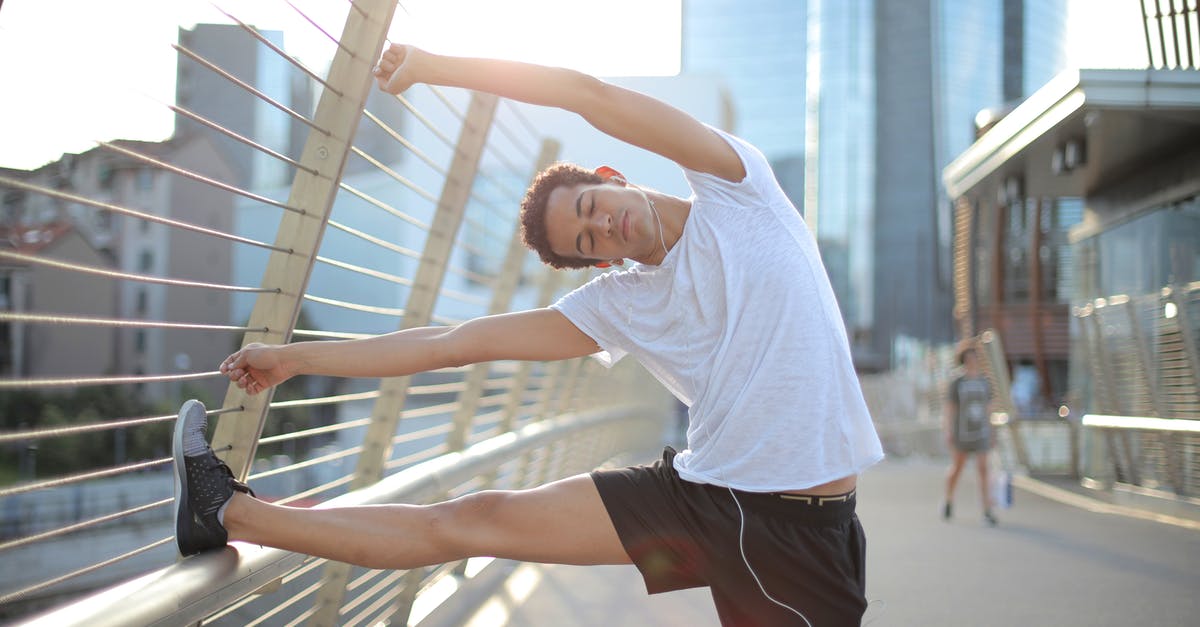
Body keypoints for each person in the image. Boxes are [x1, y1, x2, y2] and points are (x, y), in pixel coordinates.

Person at [173, 43, 884, 626]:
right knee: (468, 519)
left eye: (591, 207)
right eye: (585, 240)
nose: (602, 226)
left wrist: (435, 69)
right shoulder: (620, 304)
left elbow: (586, 93)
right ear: (597, 263)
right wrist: (295, 358)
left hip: (801, 529)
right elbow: (451, 344)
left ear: (610, 177)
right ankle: (228, 510)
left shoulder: (739, 187)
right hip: (707, 492)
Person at [942, 342, 998, 526]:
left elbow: (989, 408)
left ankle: (987, 508)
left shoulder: (984, 382)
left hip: (980, 430)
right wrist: (948, 430)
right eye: (968, 359)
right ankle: (949, 499)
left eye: (975, 358)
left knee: (983, 468)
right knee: (958, 467)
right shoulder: (957, 382)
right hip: (962, 431)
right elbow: (950, 408)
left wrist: (992, 431)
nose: (972, 362)